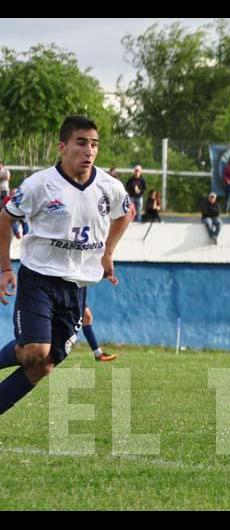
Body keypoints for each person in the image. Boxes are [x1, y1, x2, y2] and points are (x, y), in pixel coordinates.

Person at [0, 116, 131, 416]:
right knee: (36, 350)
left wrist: (108, 252)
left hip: (77, 289)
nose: (89, 151)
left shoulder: (109, 188)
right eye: (81, 143)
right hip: (39, 279)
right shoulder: (39, 185)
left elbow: (125, 213)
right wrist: (6, 269)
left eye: (94, 144)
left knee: (42, 366)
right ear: (62, 147)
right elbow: (5, 218)